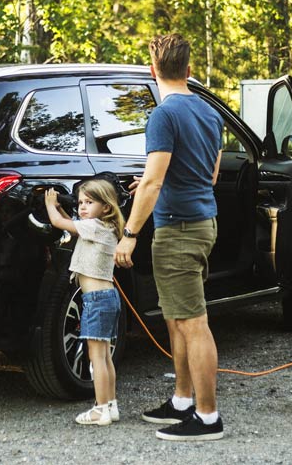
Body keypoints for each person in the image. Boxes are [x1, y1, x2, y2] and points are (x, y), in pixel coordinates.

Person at [115, 34, 226, 441]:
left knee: (194, 323)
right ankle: (182, 401)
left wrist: (129, 234)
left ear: (153, 71)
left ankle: (208, 417)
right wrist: (149, 181)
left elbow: (155, 182)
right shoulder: (209, 112)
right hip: (202, 222)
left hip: (178, 230)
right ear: (189, 70)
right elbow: (208, 176)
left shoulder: (163, 115)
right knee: (177, 318)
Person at [43, 180, 126, 426]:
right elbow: (72, 224)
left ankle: (100, 410)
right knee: (105, 356)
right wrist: (62, 208)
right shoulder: (104, 227)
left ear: (106, 207)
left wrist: (50, 204)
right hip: (107, 298)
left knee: (96, 358)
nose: (82, 207)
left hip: (96, 300)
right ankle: (111, 405)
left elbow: (59, 223)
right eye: (80, 202)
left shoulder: (94, 226)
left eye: (89, 202)